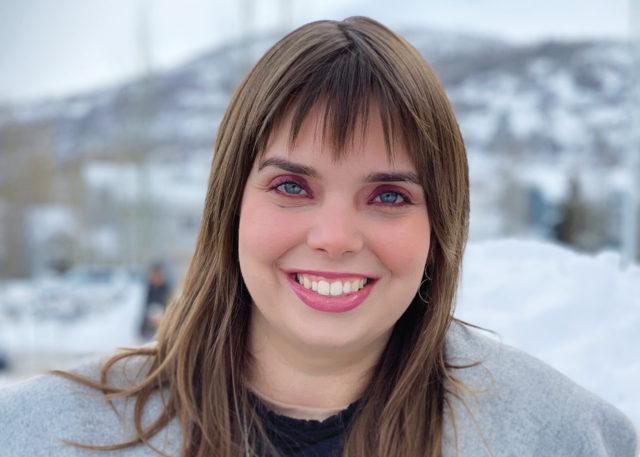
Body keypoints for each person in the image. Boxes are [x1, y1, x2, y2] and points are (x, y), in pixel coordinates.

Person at [0, 16, 637, 457]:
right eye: (292, 186)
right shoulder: (44, 435)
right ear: (230, 204)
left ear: (442, 226)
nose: (334, 238)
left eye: (389, 196)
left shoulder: (564, 438)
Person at [139, 263, 171, 340]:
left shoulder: (166, 289)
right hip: (151, 326)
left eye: (155, 275)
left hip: (164, 323)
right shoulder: (149, 289)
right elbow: (145, 308)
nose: (153, 278)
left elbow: (168, 306)